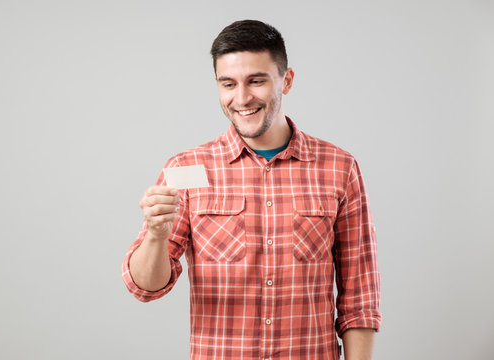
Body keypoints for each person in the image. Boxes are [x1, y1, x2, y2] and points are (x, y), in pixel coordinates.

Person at [122, 19, 381, 360]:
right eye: (227, 84)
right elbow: (146, 288)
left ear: (286, 81)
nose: (241, 98)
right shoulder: (186, 170)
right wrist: (156, 235)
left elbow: (359, 296)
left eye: (256, 81)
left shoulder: (339, 167)